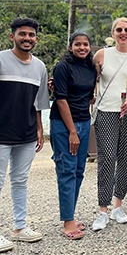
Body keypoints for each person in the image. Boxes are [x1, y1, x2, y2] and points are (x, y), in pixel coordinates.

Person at [91, 17, 127, 231]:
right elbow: (90, 79)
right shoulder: (102, 54)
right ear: (113, 33)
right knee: (107, 157)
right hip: (107, 110)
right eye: (119, 29)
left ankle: (118, 204)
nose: (123, 33)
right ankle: (102, 209)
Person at [0, 18, 49, 252]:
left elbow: (38, 103)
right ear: (13, 37)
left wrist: (39, 129)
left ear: (36, 39)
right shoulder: (0, 59)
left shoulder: (40, 67)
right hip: (1, 133)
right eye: (22, 34)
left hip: (26, 134)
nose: (27, 38)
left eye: (31, 35)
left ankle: (19, 228)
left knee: (20, 182)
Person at [50, 32, 97, 240]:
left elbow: (88, 95)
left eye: (85, 44)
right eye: (77, 44)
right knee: (67, 170)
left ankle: (71, 215)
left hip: (84, 122)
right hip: (63, 125)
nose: (82, 47)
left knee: (79, 170)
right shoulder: (62, 67)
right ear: (70, 47)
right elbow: (60, 99)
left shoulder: (90, 67)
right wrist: (72, 131)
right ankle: (67, 222)